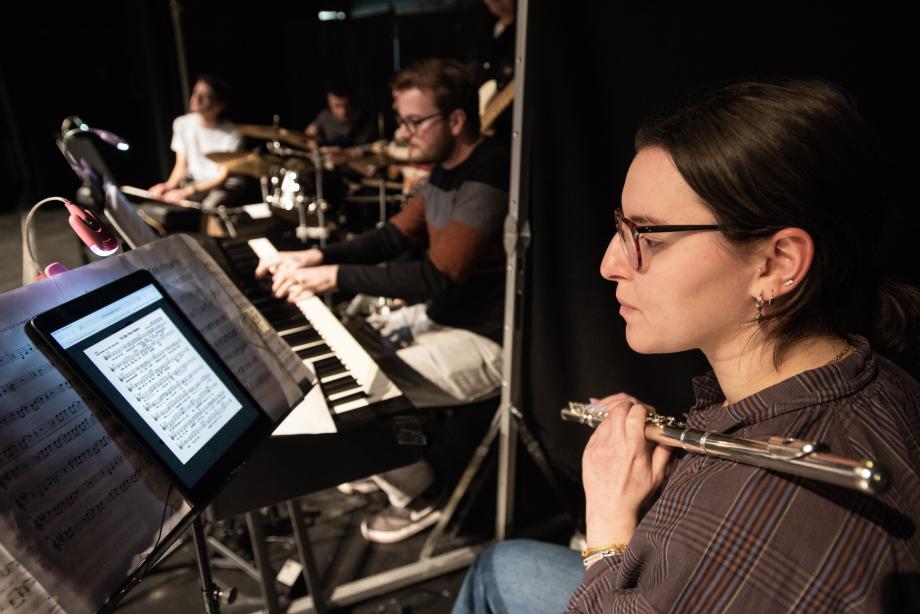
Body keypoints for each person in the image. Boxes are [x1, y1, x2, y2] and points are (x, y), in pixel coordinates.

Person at [452, 79, 920, 613]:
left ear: (776, 264)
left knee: (496, 569)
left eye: (646, 235)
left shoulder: (749, 524)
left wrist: (607, 526)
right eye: (620, 228)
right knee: (499, 566)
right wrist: (675, 467)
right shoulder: (867, 374)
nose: (610, 263)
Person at [256, 58, 510, 544]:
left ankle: (419, 497)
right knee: (337, 353)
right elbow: (391, 236)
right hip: (447, 318)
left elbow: (439, 274)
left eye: (415, 121)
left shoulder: (489, 171)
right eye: (403, 121)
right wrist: (315, 253)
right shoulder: (443, 172)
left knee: (355, 388)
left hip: (488, 339)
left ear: (455, 120)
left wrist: (333, 276)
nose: (404, 132)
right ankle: (382, 457)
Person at [148, 75, 243, 209]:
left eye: (205, 97)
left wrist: (188, 191)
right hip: (196, 182)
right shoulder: (181, 124)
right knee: (166, 202)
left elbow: (222, 177)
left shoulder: (232, 134)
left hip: (224, 185)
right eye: (195, 93)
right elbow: (182, 166)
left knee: (209, 206)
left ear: (218, 106)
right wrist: (167, 186)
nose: (196, 99)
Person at [305, 83, 379, 150]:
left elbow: (371, 148)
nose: (343, 111)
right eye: (337, 106)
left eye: (347, 105)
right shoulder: (324, 116)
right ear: (329, 102)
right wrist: (313, 143)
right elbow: (310, 133)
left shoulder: (366, 121)